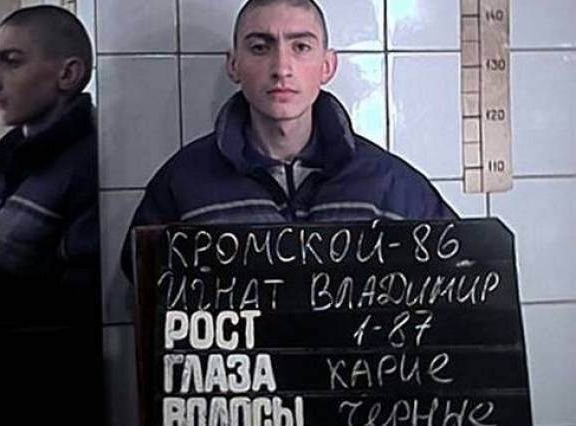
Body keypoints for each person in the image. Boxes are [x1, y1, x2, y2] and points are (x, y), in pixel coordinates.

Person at [122, 0, 456, 279]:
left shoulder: (390, 184)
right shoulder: (183, 183)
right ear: (234, 65)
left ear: (327, 66)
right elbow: (144, 289)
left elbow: (459, 275)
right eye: (260, 47)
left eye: (301, 47)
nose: (281, 68)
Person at [0, 5, 101, 423]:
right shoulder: (7, 161)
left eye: (11, 61)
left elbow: (74, 315)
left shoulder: (90, 166)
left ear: (68, 74)